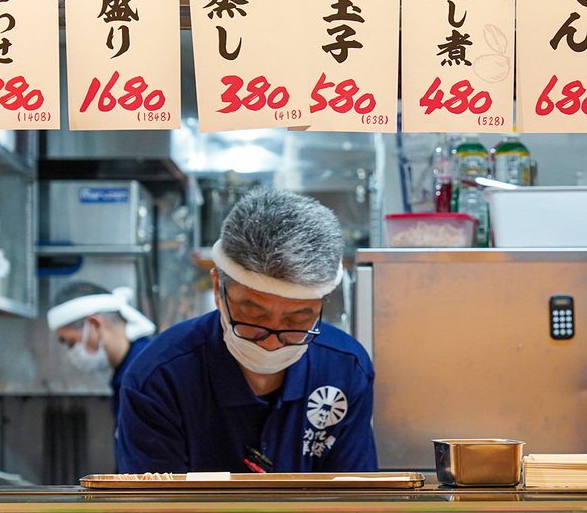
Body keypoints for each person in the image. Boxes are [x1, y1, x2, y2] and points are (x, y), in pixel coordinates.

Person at [116, 188, 377, 474]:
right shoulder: (158, 378)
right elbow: (155, 512)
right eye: (254, 316)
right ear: (218, 288)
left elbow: (356, 500)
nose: (272, 343)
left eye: (296, 320)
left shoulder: (345, 368)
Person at [47, 282, 156, 427]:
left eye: (72, 342)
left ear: (95, 325)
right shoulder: (128, 371)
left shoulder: (146, 374)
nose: (72, 352)